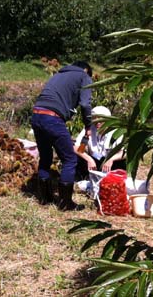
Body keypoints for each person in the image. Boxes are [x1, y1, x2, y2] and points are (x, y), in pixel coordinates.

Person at [31, 61, 93, 211]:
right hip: (52, 117)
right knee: (70, 159)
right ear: (85, 70)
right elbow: (85, 104)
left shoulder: (58, 74)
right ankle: (66, 203)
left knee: (46, 157)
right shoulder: (84, 76)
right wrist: (88, 125)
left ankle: (45, 198)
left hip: (36, 115)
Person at [74, 105, 126, 181]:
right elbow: (77, 148)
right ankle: (81, 178)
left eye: (101, 118)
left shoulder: (116, 131)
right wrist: (89, 159)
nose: (97, 121)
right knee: (77, 157)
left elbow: (124, 153)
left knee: (122, 162)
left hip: (111, 163)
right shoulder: (89, 129)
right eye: (94, 118)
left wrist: (111, 159)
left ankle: (116, 179)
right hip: (95, 161)